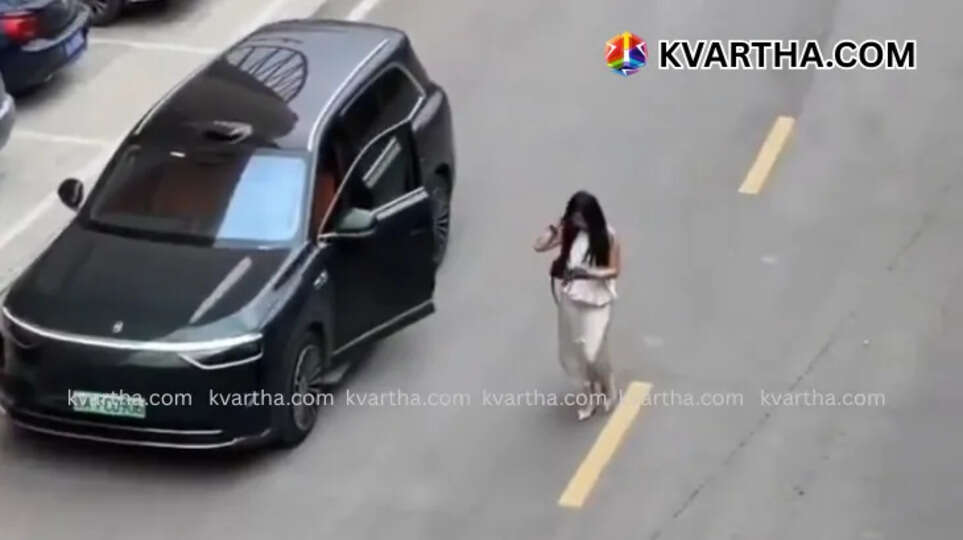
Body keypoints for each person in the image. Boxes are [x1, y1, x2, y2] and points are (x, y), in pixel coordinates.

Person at [534, 191, 621, 421]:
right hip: (571, 299)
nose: (578, 223)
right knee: (572, 354)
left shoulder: (607, 236)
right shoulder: (570, 232)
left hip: (597, 300)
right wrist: (556, 227)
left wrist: (587, 272)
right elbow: (539, 246)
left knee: (592, 351)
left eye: (582, 218)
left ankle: (608, 384)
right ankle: (587, 396)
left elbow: (614, 270)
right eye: (574, 217)